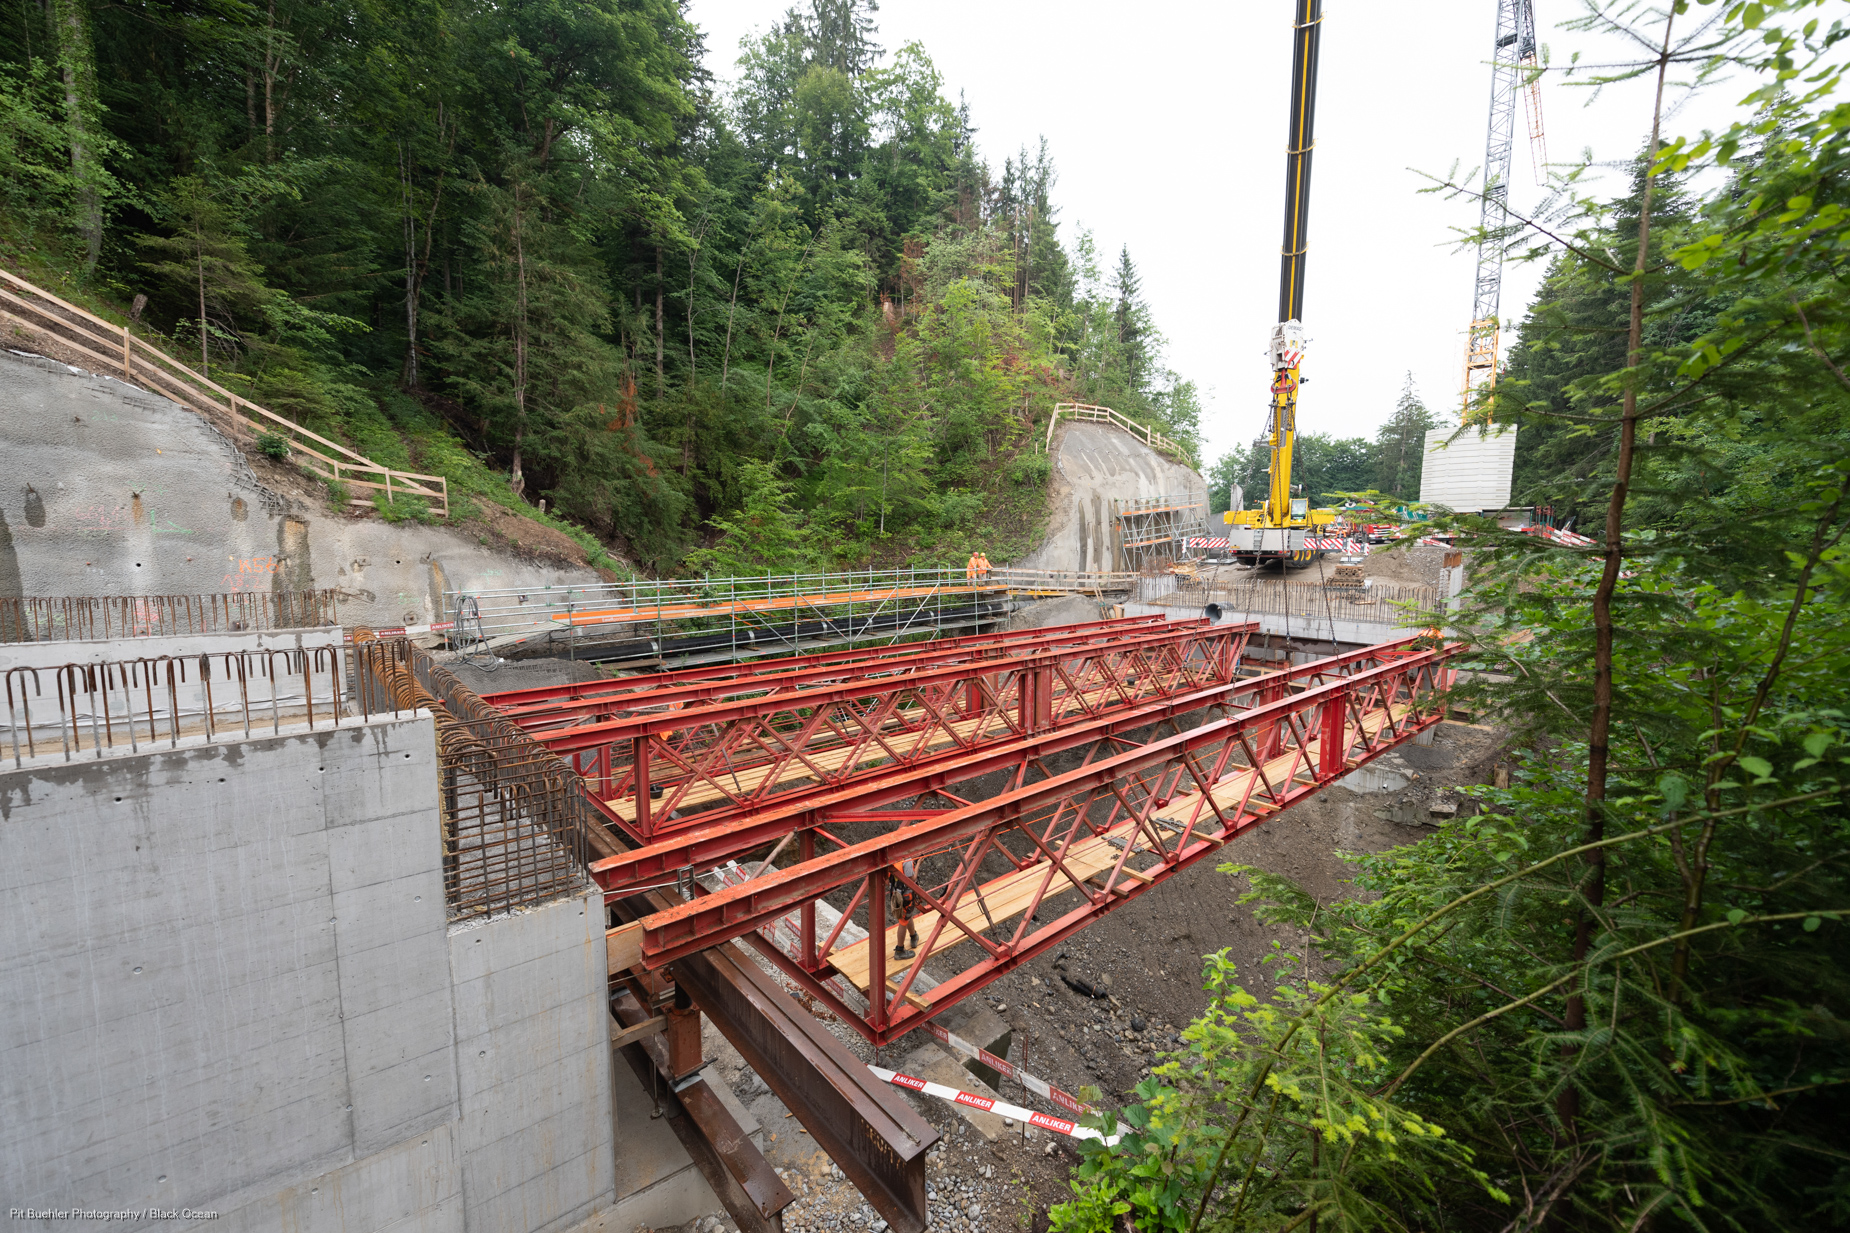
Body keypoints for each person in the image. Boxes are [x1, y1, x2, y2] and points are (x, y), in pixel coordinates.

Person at [891, 857, 921, 960]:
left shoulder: (892, 859)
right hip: (906, 896)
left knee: (907, 916)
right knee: (903, 921)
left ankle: (913, 936)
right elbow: (912, 879)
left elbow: (887, 880)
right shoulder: (907, 861)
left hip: (896, 894)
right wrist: (918, 863)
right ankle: (899, 950)